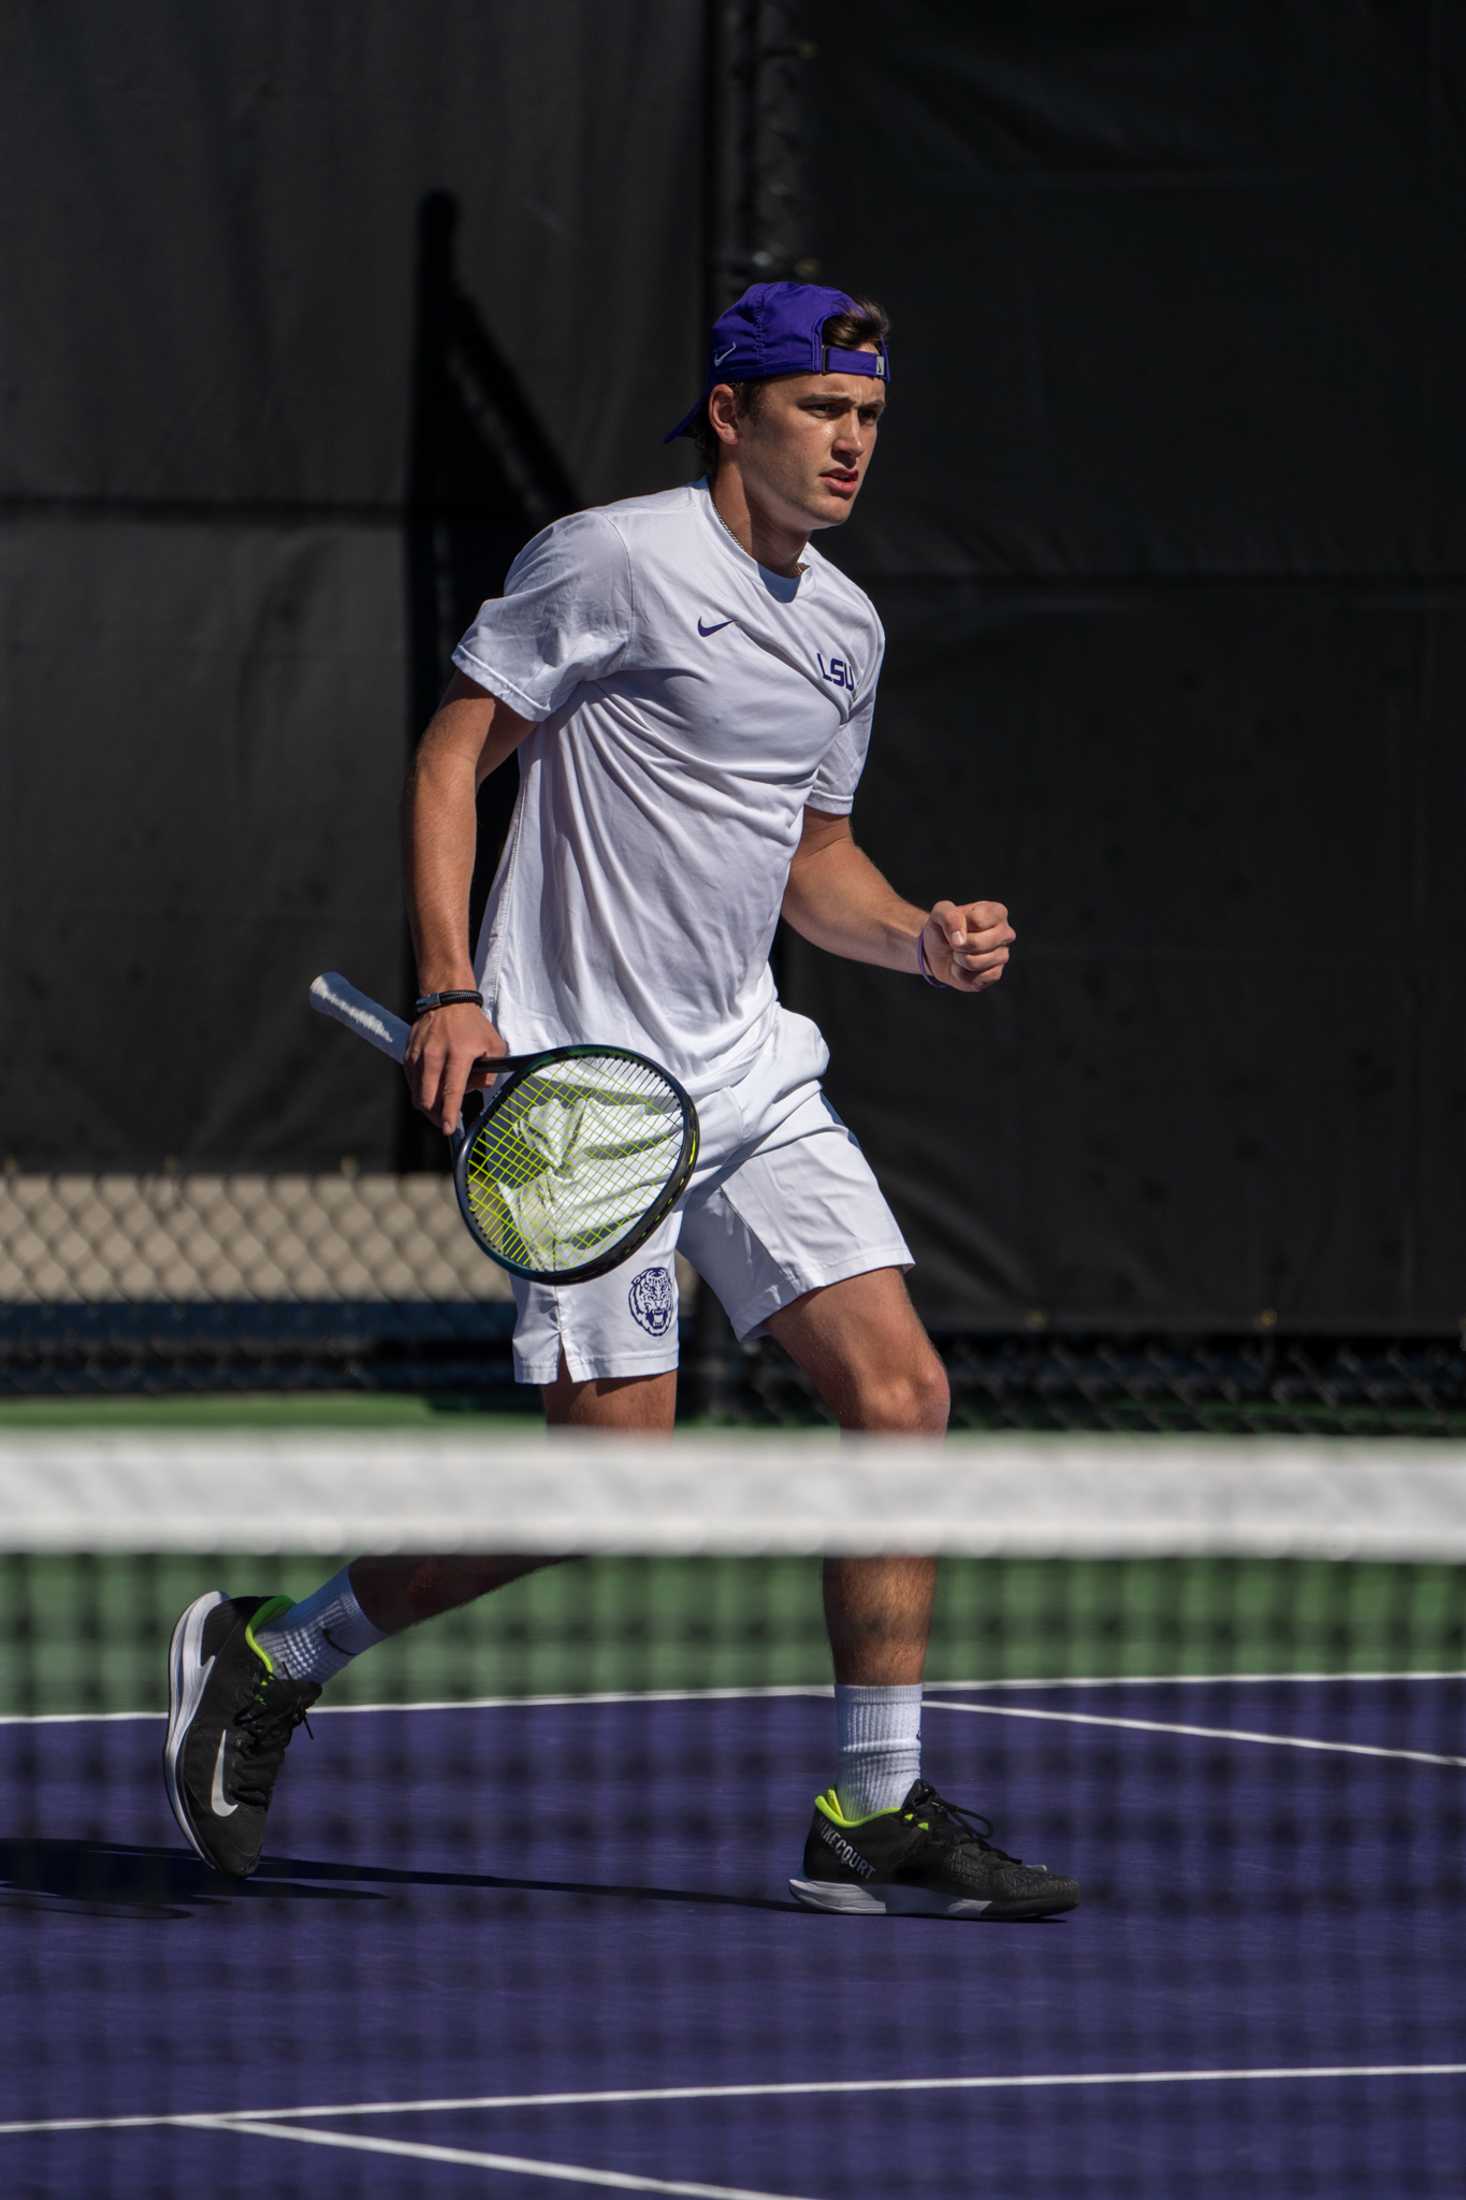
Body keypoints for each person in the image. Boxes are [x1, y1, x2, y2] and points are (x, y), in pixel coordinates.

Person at [164, 282, 1079, 1921]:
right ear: (731, 412)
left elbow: (813, 865)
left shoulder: (847, 630)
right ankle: (271, 1647)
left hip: (749, 1076)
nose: (851, 440)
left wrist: (916, 939)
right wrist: (452, 986)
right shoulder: (610, 559)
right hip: (584, 1100)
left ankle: (868, 1814)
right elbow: (455, 754)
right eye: (819, 407)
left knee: (901, 1397)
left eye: (868, 415)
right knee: (610, 1483)